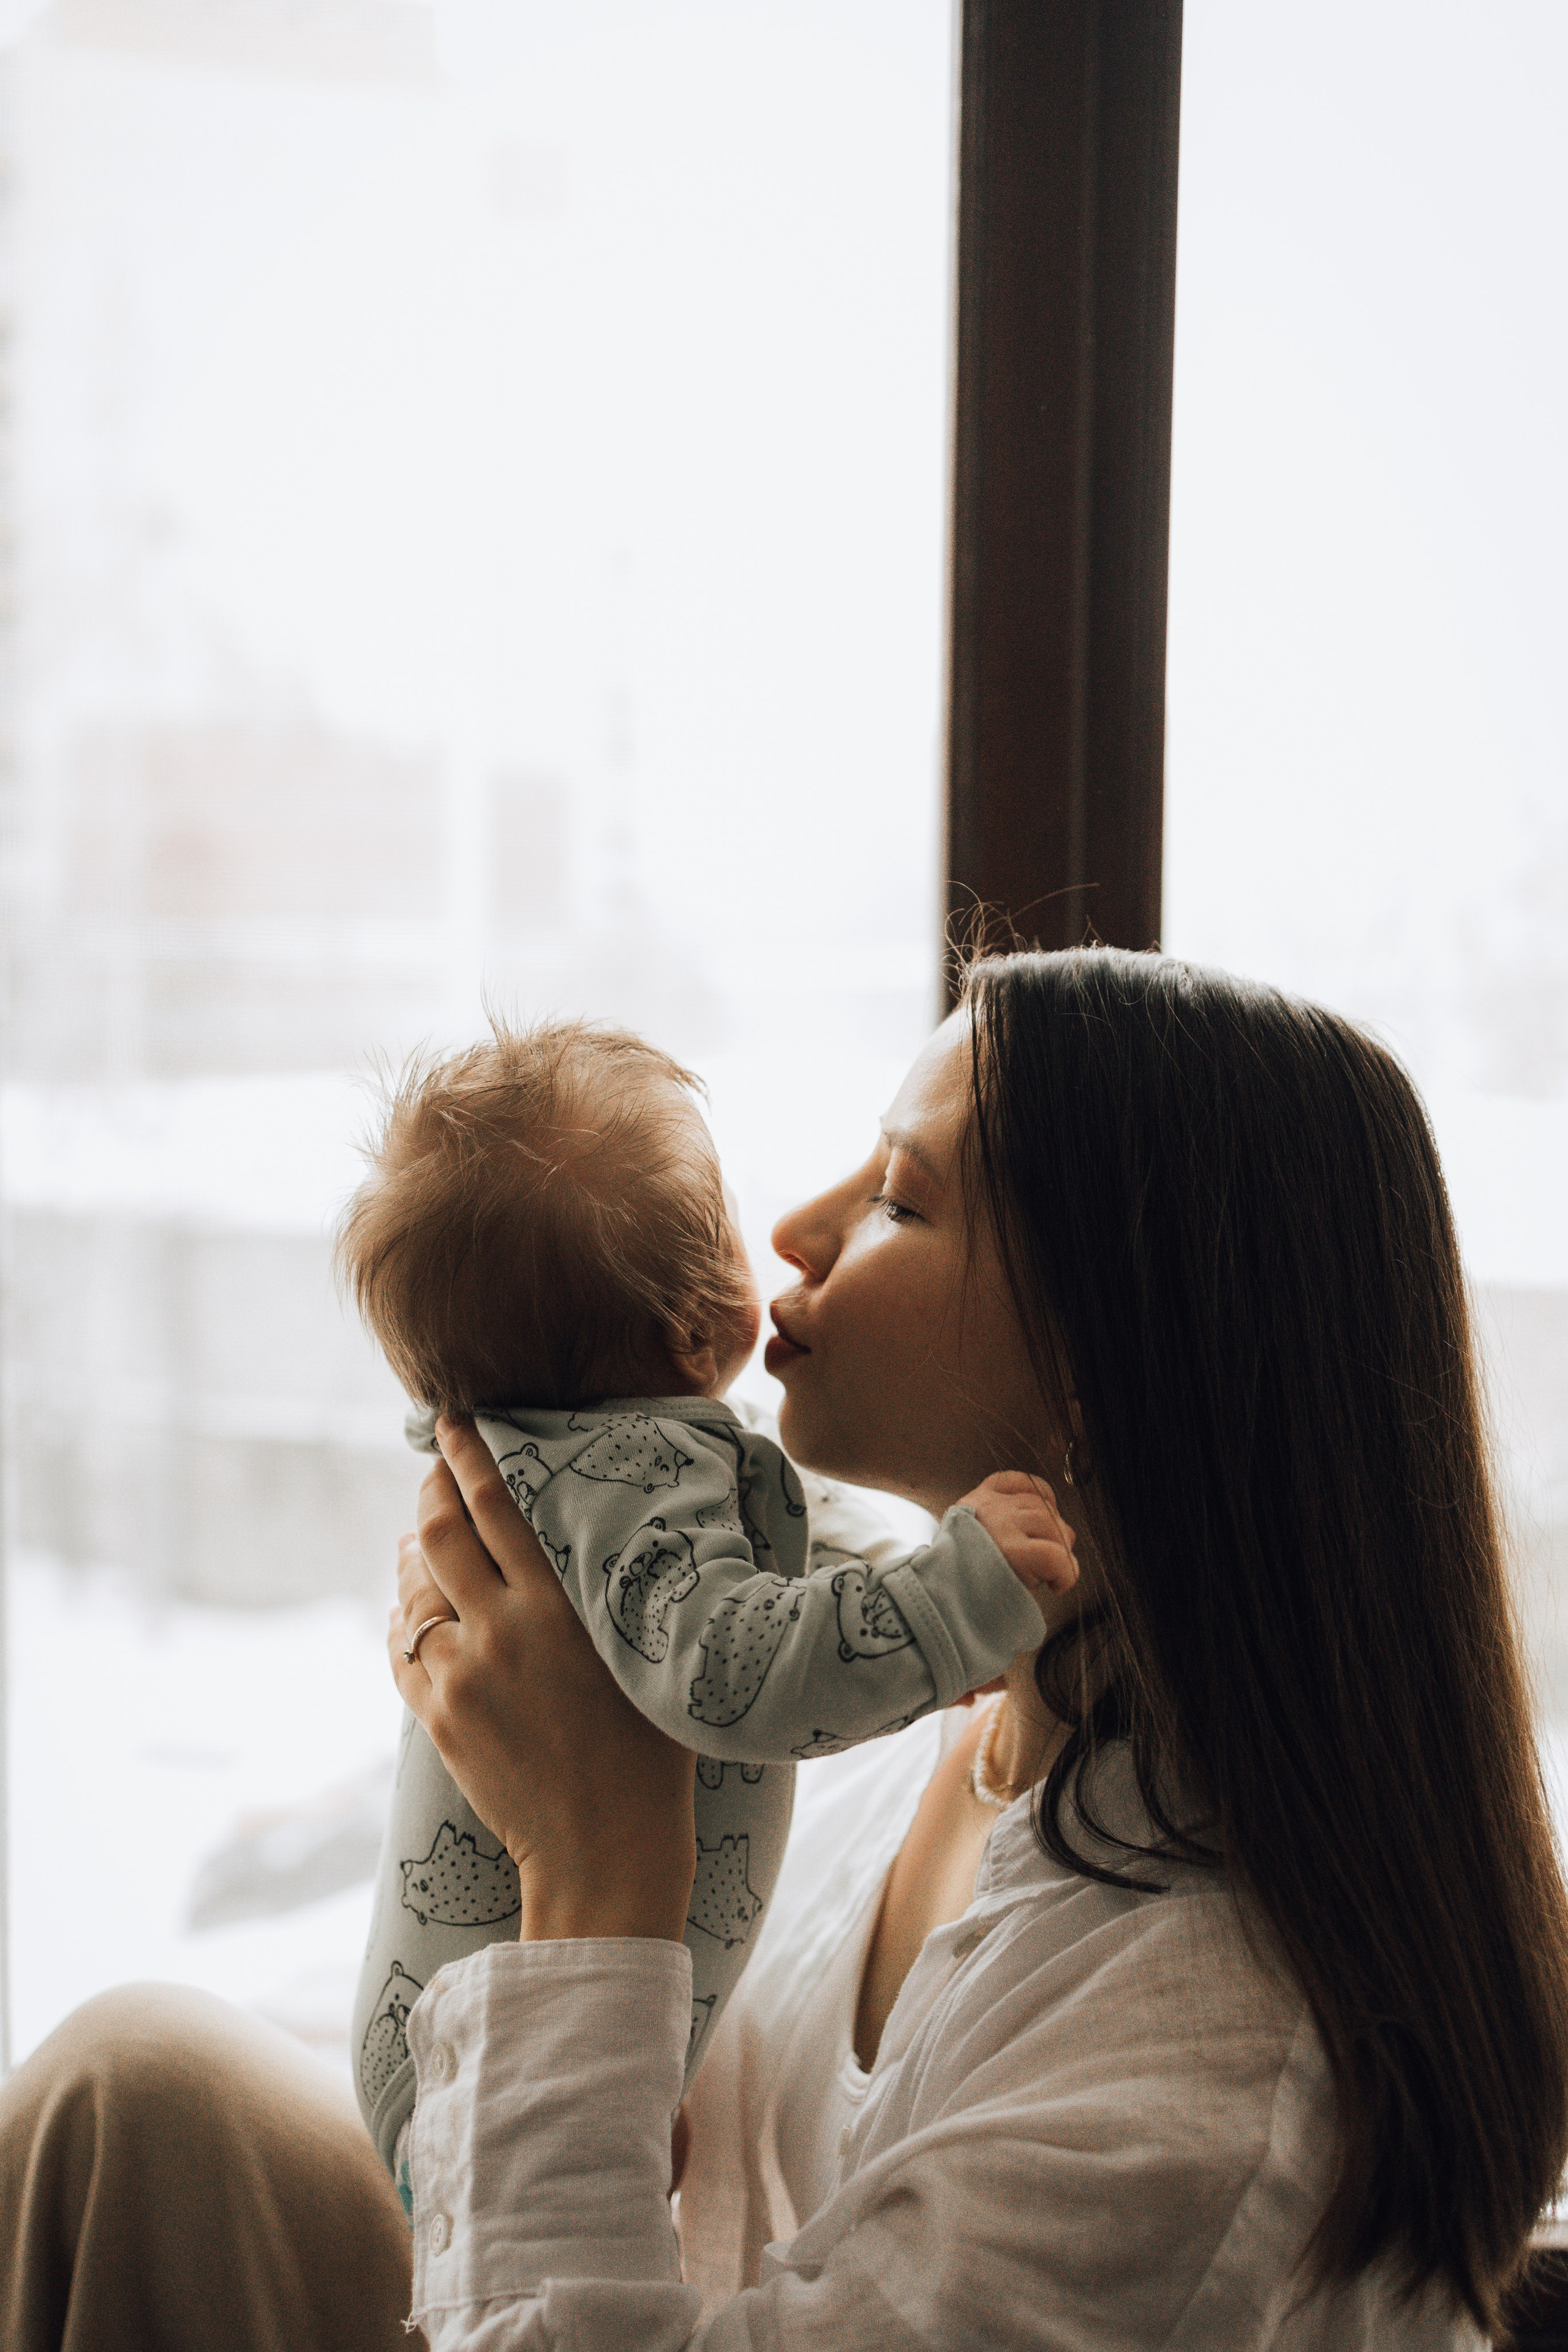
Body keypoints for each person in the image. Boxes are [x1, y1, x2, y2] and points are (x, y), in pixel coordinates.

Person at [2, 948, 1564, 2352]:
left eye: (899, 1197)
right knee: (135, 2092)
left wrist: (593, 1869)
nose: (795, 1232)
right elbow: (700, 2125)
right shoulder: (959, 1723)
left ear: (1105, 1366)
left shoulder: (1198, 2090)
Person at [338, 1017, 1068, 2186]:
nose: (785, 1233)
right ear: (690, 1329)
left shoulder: (592, 1464)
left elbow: (794, 1540)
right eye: (728, 1227)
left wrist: (931, 1602)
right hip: (490, 2060)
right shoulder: (629, 1481)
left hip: (464, 2040)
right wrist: (941, 1614)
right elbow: (731, 1667)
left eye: (899, 1199)